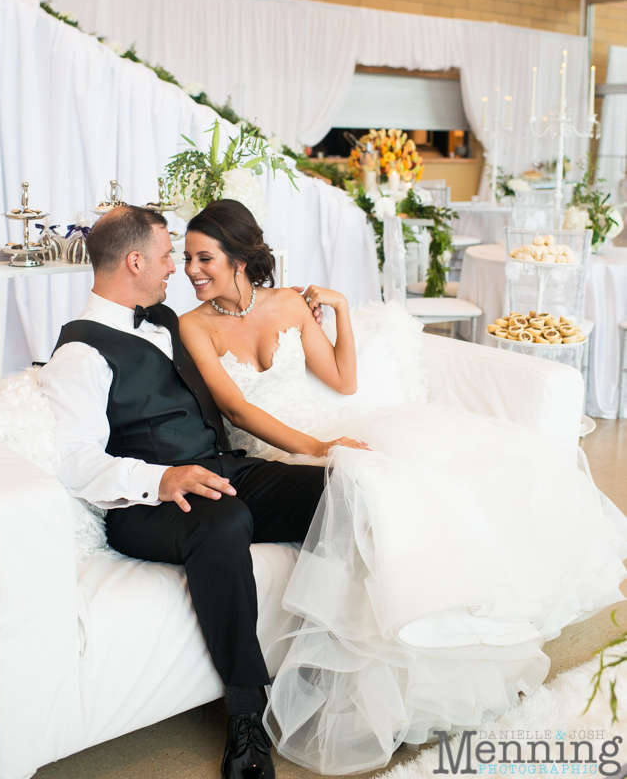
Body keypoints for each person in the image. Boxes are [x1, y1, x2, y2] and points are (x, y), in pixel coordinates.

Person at [179, 199, 627, 777]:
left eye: (203, 257)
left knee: (429, 473)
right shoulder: (193, 324)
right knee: (370, 483)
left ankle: (461, 648)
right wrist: (315, 450)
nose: (191, 269)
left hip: (328, 431)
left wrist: (338, 309)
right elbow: (236, 408)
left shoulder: (289, 304)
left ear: (239, 257)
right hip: (278, 454)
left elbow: (344, 379)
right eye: (187, 258)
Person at [38, 203, 364, 779]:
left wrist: (286, 302)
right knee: (224, 520)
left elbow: (239, 329)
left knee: (345, 489)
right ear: (135, 260)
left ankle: (336, 666)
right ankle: (246, 714)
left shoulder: (170, 320)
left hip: (222, 469)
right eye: (168, 256)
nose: (176, 269)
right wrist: (161, 478)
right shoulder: (78, 353)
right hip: (148, 504)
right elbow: (75, 460)